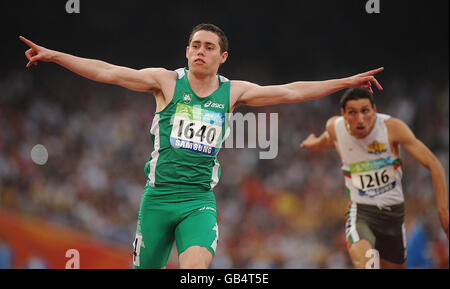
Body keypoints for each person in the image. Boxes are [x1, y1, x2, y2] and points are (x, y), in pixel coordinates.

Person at [20, 23, 384, 269]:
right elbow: (107, 71)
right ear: (187, 51)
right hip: (158, 200)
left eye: (209, 47)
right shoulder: (165, 82)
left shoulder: (232, 92)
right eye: (195, 45)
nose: (200, 51)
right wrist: (56, 55)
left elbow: (290, 91)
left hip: (198, 202)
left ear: (222, 57)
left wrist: (344, 82)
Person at [300, 87, 449, 269]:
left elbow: (434, 164)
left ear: (374, 111)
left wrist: (443, 212)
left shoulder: (391, 128)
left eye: (365, 111)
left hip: (393, 216)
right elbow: (328, 138)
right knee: (367, 265)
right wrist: (314, 143)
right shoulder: (335, 127)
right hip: (361, 212)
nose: (360, 119)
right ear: (343, 115)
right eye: (352, 113)